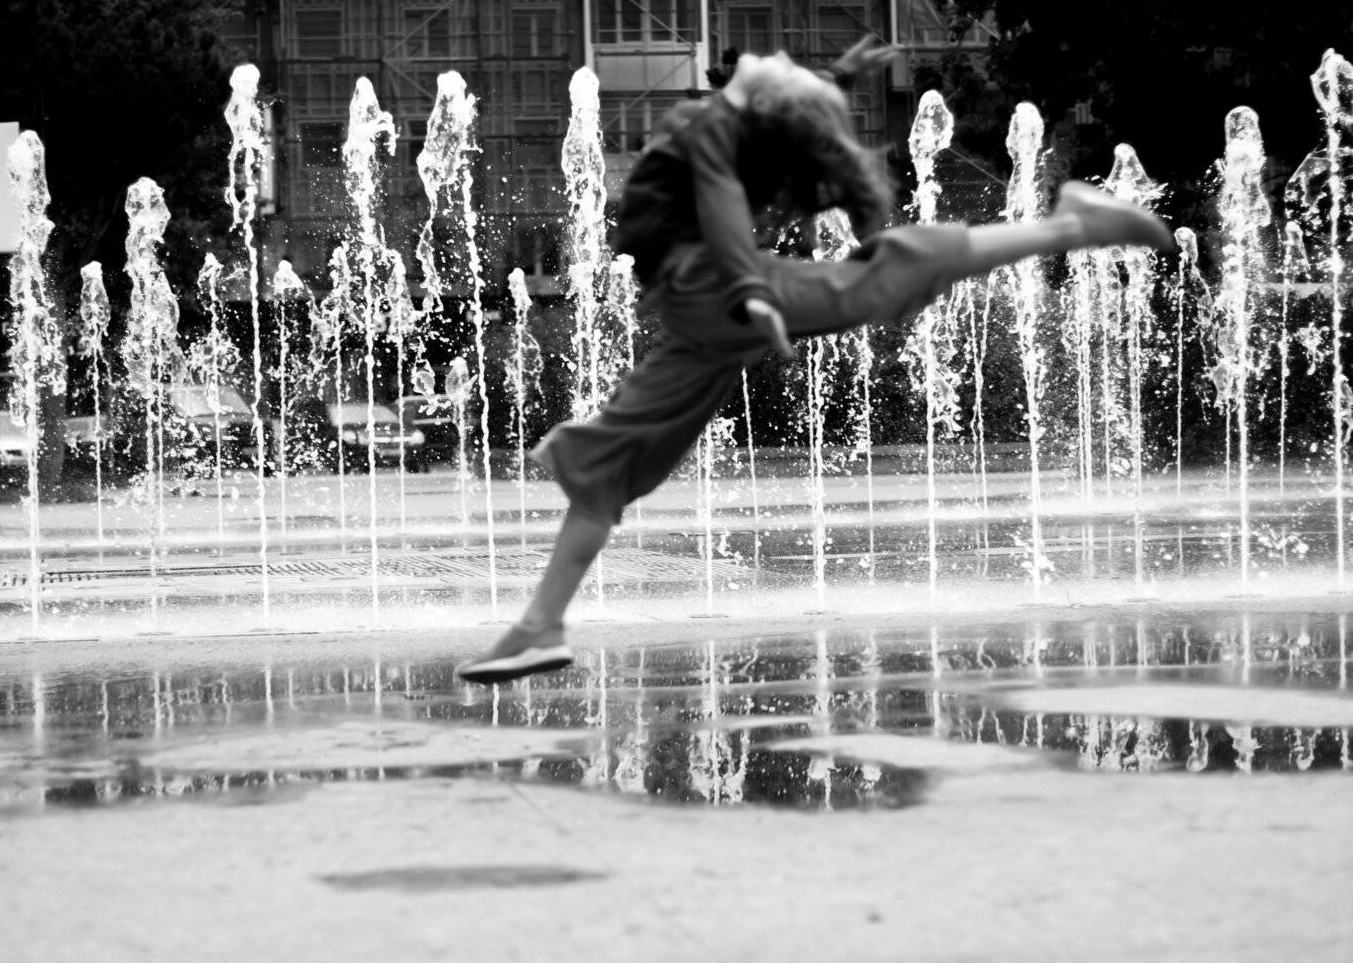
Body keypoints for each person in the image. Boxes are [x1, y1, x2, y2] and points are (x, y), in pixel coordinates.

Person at [457, 39, 1172, 684]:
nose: (774, 55)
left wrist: (748, 291)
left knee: (883, 273)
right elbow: (768, 126)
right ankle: (539, 626)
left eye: (783, 66)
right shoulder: (726, 120)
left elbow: (723, 206)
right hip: (703, 305)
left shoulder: (713, 127)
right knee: (608, 460)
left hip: (712, 292)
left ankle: (1073, 226)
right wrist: (835, 79)